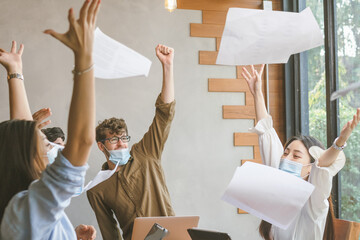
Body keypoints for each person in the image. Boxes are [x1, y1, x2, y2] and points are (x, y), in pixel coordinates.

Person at [0, 0, 100, 239]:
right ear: (25, 158)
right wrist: (84, 58)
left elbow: (21, 133)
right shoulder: (27, 208)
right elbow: (82, 141)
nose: (53, 149)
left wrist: (15, 73)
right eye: (46, 144)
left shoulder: (19, 206)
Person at [241, 64, 360, 240]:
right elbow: (266, 134)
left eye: (296, 156)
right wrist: (257, 92)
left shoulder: (314, 200)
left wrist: (340, 142)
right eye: (285, 152)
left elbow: (322, 165)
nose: (286, 159)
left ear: (310, 168)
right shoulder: (279, 186)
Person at [87, 44, 175, 240]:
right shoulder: (96, 190)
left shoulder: (145, 153)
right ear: (101, 146)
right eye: (114, 140)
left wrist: (167, 67)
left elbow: (164, 115)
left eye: (124, 138)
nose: (121, 144)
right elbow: (110, 234)